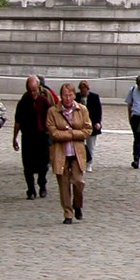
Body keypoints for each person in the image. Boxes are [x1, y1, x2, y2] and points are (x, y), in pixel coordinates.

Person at [46, 83, 92, 224]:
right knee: (64, 185)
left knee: (78, 181)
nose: (68, 98)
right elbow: (53, 132)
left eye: (70, 95)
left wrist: (70, 133)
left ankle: (77, 205)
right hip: (61, 152)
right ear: (61, 96)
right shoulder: (53, 111)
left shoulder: (82, 109)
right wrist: (69, 135)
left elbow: (87, 130)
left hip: (77, 152)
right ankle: (68, 213)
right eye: (65, 95)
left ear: (74, 95)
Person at [12, 75, 56, 199]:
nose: (32, 93)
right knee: (28, 165)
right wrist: (14, 138)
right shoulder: (23, 102)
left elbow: (51, 118)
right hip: (27, 137)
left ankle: (42, 185)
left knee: (43, 165)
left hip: (42, 137)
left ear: (38, 88)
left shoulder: (44, 101)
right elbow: (18, 121)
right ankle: (31, 189)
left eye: (34, 90)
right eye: (30, 90)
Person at [76, 80, 103, 165]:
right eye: (82, 90)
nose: (83, 92)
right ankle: (81, 162)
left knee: (90, 145)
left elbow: (98, 111)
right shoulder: (76, 97)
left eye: (85, 90)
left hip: (92, 124)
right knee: (79, 145)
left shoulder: (94, 97)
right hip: (79, 125)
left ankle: (89, 163)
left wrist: (98, 122)